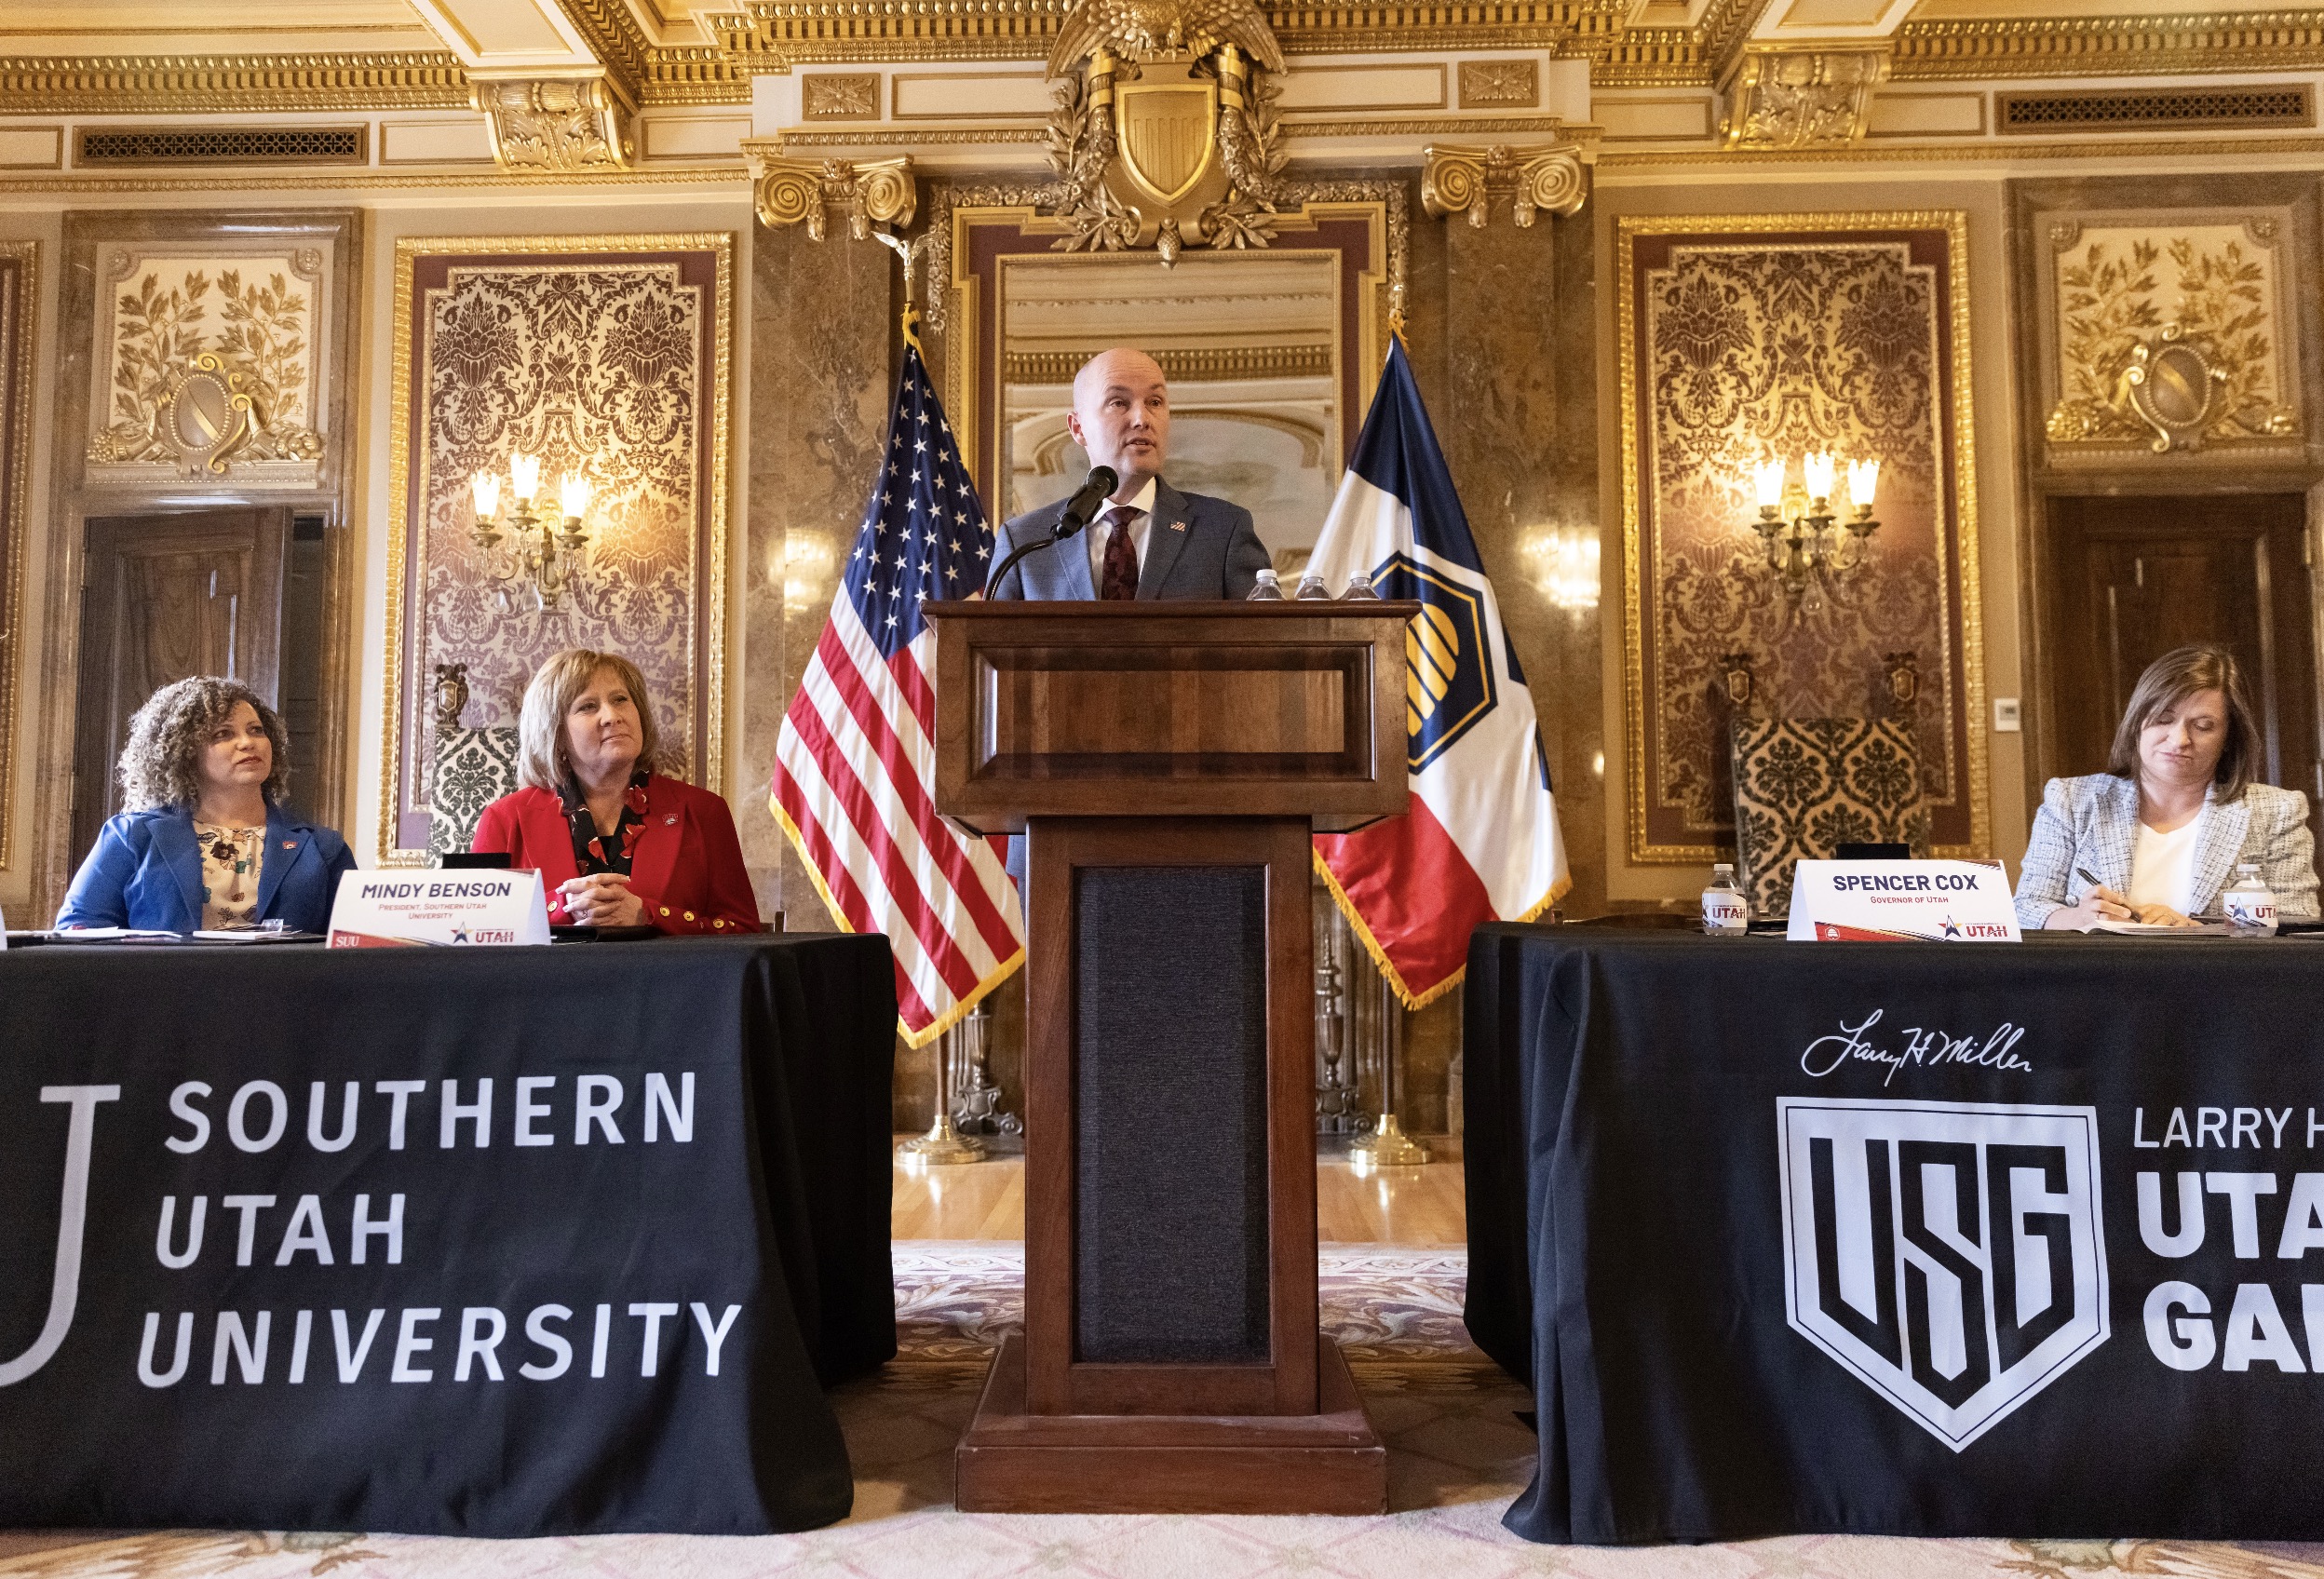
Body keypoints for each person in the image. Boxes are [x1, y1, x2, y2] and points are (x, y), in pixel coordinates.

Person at [2016, 643, 2317, 929]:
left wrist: (2193, 930)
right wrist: (2079, 917)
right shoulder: (2071, 800)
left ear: (2228, 738)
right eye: (2163, 719)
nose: (2179, 740)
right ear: (2137, 723)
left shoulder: (2277, 811)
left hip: (2221, 981)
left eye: (2203, 726)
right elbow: (2027, 906)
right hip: (2096, 980)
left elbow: (2299, 921)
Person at [472, 648, 761, 935]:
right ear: (556, 733)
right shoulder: (505, 819)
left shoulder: (704, 811)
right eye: (588, 706)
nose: (612, 716)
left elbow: (744, 931)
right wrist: (564, 907)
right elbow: (475, 930)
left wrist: (647, 914)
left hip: (669, 981)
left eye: (621, 699)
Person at [59, 677, 355, 933]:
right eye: (223, 734)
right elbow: (79, 928)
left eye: (256, 730)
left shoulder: (323, 847)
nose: (247, 743)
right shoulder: (132, 836)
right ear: (184, 753)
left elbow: (359, 944)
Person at [987, 346, 1272, 602]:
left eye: (1155, 402)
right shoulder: (1024, 541)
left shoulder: (1225, 530)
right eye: (1118, 402)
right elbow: (990, 654)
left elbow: (1263, 646)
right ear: (1078, 428)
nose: (1142, 419)